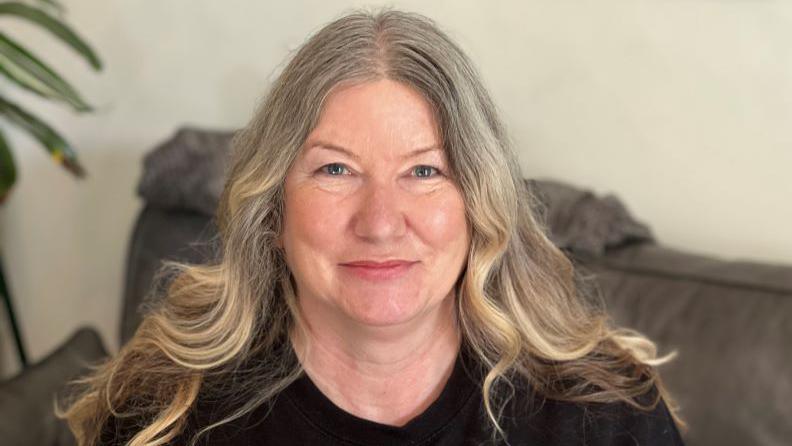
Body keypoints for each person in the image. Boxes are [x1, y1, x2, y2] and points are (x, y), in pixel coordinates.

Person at [57, 7, 686, 446]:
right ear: (272, 210)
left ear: (480, 203)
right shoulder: (162, 415)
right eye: (335, 169)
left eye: (424, 172)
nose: (381, 222)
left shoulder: (605, 416)